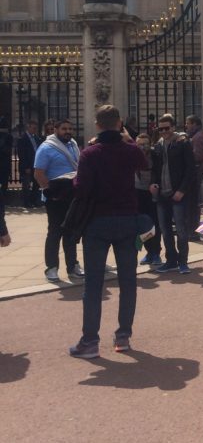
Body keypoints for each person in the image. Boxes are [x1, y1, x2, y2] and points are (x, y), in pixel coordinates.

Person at [68, 105, 148, 358]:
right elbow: (143, 161)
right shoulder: (130, 151)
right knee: (128, 281)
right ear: (120, 123)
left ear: (97, 124)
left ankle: (90, 341)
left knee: (93, 284)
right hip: (127, 220)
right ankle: (123, 336)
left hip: (97, 222)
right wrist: (125, 137)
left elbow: (81, 188)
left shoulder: (89, 153)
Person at [33, 117, 83, 283]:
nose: (68, 132)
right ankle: (52, 267)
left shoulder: (73, 145)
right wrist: (50, 192)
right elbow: (39, 173)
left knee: (71, 231)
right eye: (64, 129)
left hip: (72, 195)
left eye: (70, 129)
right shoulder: (46, 148)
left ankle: (73, 265)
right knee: (55, 232)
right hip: (55, 197)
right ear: (55, 130)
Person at [150, 114, 196, 275]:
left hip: (178, 194)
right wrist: (153, 183)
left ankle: (183, 261)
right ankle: (171, 260)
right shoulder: (158, 145)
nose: (163, 131)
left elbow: (190, 169)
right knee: (164, 228)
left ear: (173, 128)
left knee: (181, 230)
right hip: (162, 193)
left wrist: (182, 191)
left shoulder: (183, 143)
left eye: (166, 128)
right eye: (160, 129)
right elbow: (155, 169)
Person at [135, 132, 162, 267]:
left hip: (152, 194)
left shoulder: (156, 156)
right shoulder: (132, 155)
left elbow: (160, 172)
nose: (143, 147)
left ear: (150, 144)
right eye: (140, 144)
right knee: (141, 226)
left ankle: (156, 252)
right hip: (137, 193)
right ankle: (149, 252)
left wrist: (156, 184)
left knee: (154, 225)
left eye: (145, 144)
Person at [184, 114, 203, 241]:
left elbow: (197, 156)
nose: (186, 126)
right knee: (193, 202)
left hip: (196, 172)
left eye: (188, 123)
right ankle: (192, 230)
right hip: (198, 171)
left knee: (193, 203)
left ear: (194, 124)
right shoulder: (198, 136)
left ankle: (193, 232)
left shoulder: (198, 137)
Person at [16, 118, 43, 208]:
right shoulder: (22, 139)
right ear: (28, 128)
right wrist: (26, 167)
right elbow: (22, 154)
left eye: (36, 128)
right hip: (27, 166)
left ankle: (33, 201)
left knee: (36, 184)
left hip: (36, 165)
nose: (35, 130)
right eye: (33, 128)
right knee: (26, 186)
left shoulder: (36, 137)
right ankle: (26, 203)